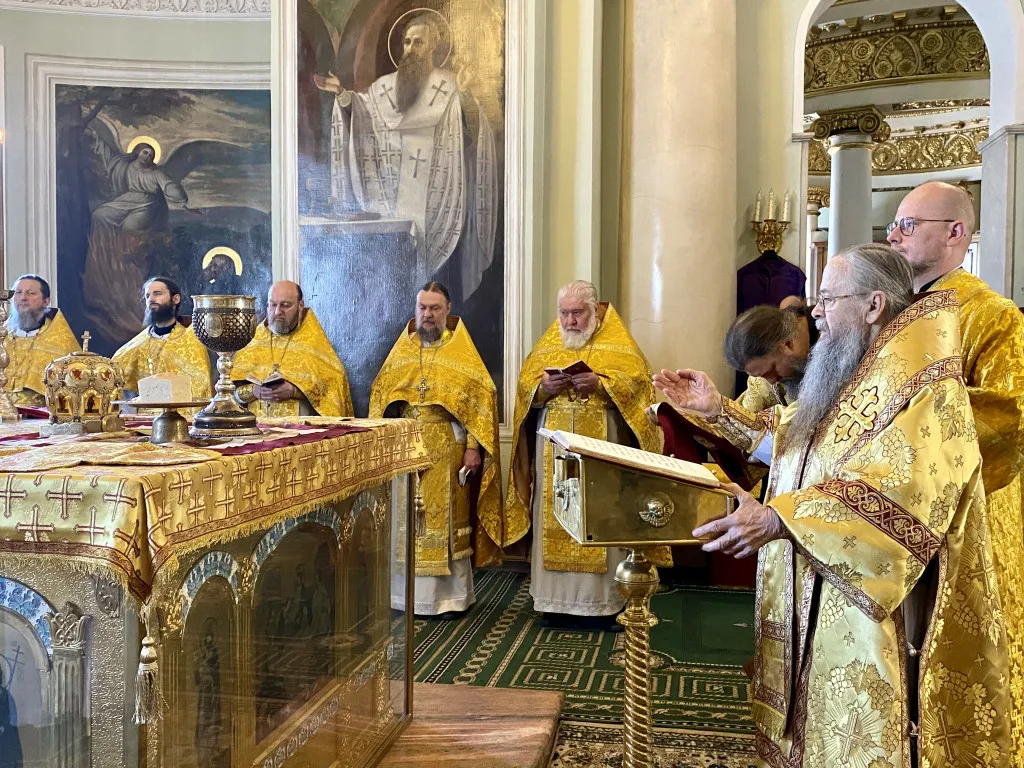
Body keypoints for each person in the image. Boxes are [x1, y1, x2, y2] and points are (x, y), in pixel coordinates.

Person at [655, 243, 1010, 765]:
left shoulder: (919, 382)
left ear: (873, 305)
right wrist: (716, 410)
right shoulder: (859, 368)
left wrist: (780, 518)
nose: (813, 312)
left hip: (868, 600)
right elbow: (800, 444)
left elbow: (902, 490)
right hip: (823, 581)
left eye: (827, 298)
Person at [886, 179, 1024, 763]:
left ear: (956, 233)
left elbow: (1008, 413)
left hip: (966, 512)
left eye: (908, 225)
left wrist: (909, 417)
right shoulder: (893, 310)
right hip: (893, 504)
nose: (894, 235)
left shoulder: (990, 314)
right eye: (895, 224)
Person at [505, 280, 668, 627]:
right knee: (557, 510)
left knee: (599, 512)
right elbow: (523, 391)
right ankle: (554, 602)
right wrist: (541, 389)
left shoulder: (618, 344)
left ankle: (604, 603)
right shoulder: (550, 344)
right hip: (555, 447)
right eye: (564, 313)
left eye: (577, 313)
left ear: (594, 311)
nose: (570, 321)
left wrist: (604, 385)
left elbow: (641, 388)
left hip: (602, 448)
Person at [313, 13, 498, 297]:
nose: (411, 49)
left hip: (441, 197)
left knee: (441, 281)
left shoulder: (450, 86)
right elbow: (364, 114)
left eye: (419, 42)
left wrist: (463, 97)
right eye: (408, 42)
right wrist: (342, 95)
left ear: (434, 45)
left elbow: (472, 136)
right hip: (394, 195)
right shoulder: (386, 88)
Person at [369, 282, 502, 617]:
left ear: (448, 310)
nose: (427, 315)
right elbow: (381, 395)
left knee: (443, 522)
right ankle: (404, 598)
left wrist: (473, 447)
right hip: (406, 443)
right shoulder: (402, 350)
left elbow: (479, 400)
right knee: (407, 519)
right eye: (422, 308)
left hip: (446, 444)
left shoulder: (460, 351)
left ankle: (449, 599)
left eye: (434, 309)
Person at [232, 281, 353, 418]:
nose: (278, 312)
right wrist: (252, 391)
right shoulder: (253, 342)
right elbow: (230, 393)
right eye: (273, 305)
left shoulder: (313, 342)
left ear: (300, 305)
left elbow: (332, 391)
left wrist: (295, 391)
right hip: (256, 432)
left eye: (285, 305)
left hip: (301, 433)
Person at [112, 276, 212, 404]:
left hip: (186, 416)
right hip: (146, 419)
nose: (151, 299)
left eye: (157, 294)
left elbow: (203, 383)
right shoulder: (138, 343)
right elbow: (116, 377)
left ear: (175, 299)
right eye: (147, 296)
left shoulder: (193, 338)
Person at [2, 275, 80, 407]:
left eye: (31, 293)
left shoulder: (61, 341)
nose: (23, 298)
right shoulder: (2, 336)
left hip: (42, 416)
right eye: (18, 292)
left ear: (46, 301)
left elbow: (74, 387)